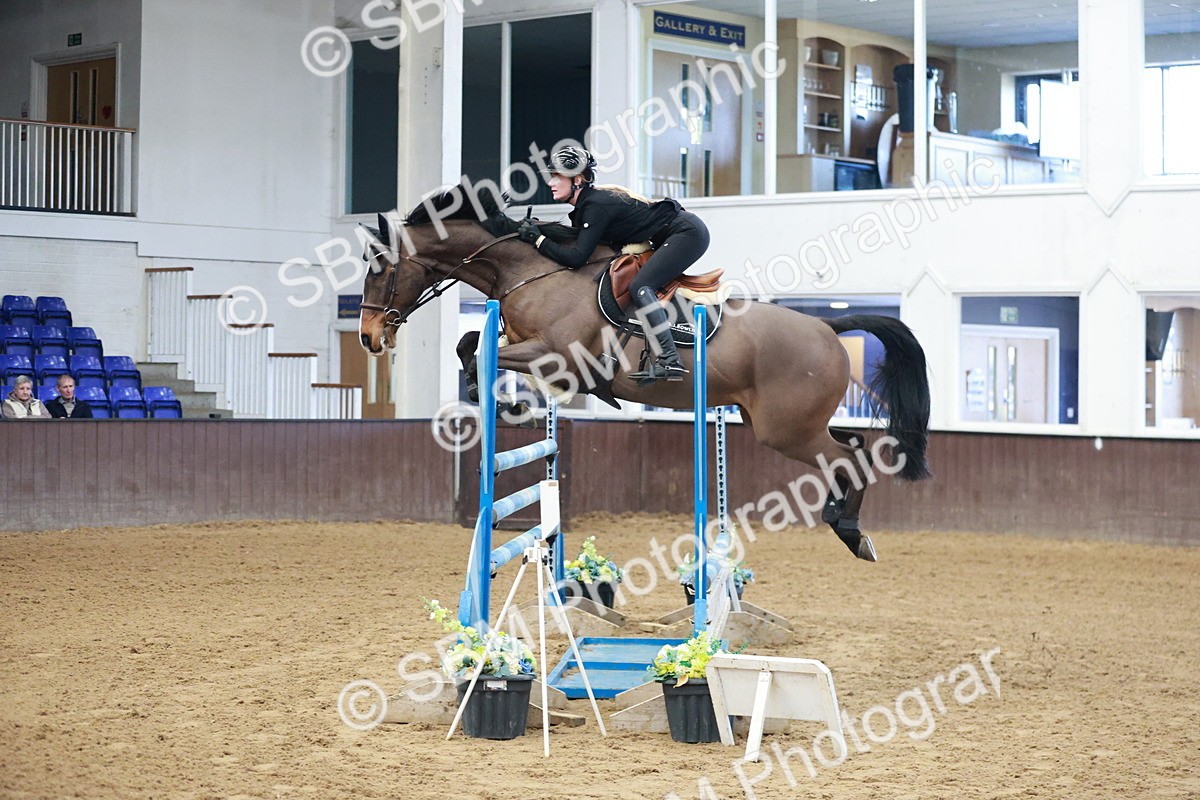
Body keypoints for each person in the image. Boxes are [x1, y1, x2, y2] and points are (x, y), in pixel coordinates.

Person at [517, 146, 711, 383]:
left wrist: (538, 239)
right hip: (671, 233)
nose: (550, 182)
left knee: (641, 286)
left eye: (557, 176)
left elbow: (576, 257)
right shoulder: (587, 206)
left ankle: (670, 360)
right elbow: (578, 243)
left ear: (577, 179)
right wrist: (538, 230)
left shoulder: (594, 206)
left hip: (687, 233)